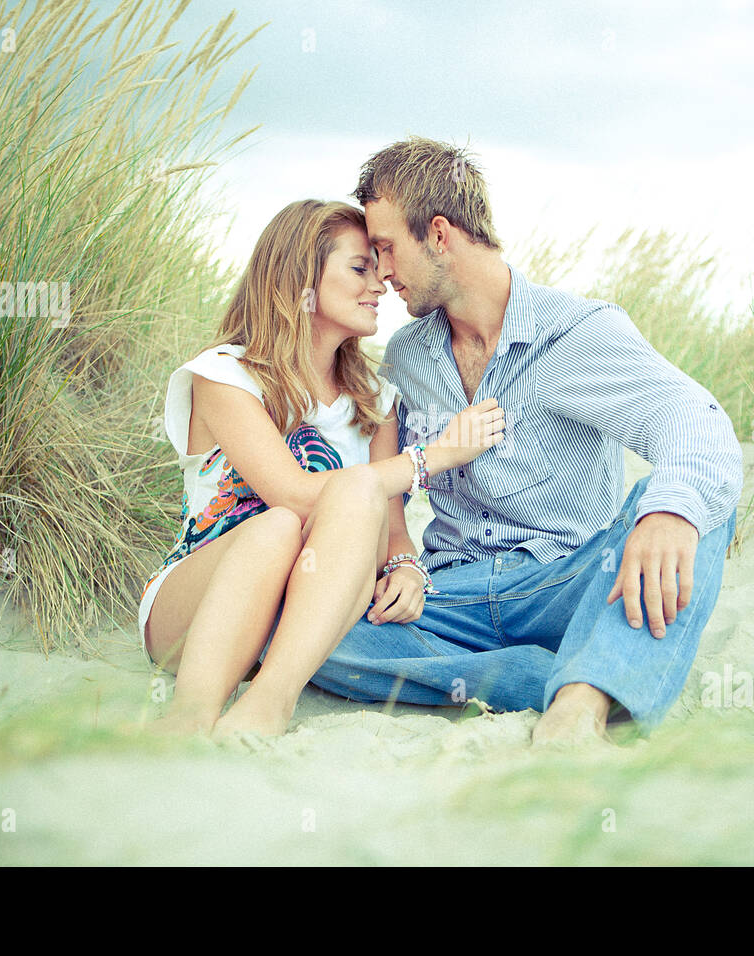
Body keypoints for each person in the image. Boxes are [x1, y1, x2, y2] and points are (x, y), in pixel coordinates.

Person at [298, 138, 745, 745]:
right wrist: (401, 558)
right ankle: (544, 679)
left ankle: (580, 704)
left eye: (385, 248)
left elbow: (699, 421)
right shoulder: (408, 356)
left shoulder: (578, 333)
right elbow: (388, 475)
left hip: (563, 583)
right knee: (305, 634)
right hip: (445, 592)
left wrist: (668, 513)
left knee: (694, 508)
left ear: (438, 233)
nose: (381, 271)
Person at [138, 198, 505, 740]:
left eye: (381, 271)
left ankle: (268, 704)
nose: (379, 286)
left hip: (305, 617)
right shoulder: (225, 376)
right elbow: (292, 493)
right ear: (299, 278)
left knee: (358, 499)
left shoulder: (374, 398)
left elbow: (394, 533)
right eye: (359, 269)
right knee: (282, 521)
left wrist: (406, 569)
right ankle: (189, 716)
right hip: (199, 608)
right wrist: (434, 458)